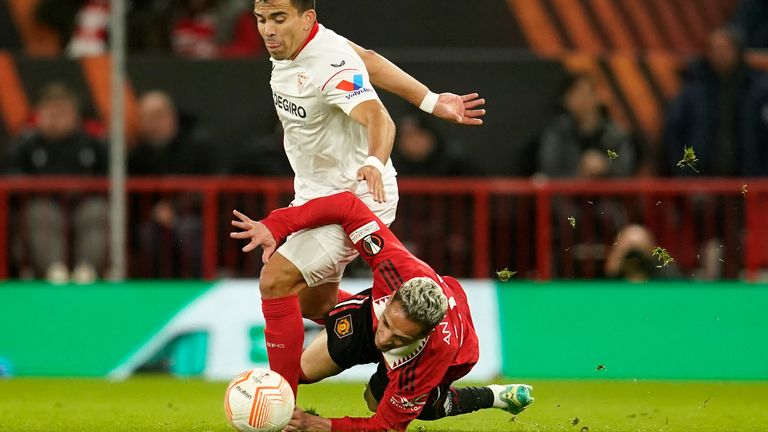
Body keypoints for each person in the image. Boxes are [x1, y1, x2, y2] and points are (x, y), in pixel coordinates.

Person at [250, 0, 486, 399]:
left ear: (307, 18)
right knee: (315, 305)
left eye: (278, 18)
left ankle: (280, 402)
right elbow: (370, 60)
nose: (268, 30)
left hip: (356, 195)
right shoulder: (301, 48)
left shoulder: (326, 63)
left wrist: (375, 161)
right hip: (316, 191)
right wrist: (430, 99)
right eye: (261, 20)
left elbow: (380, 119)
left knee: (275, 281)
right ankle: (401, 321)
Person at [230, 191, 534, 431]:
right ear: (392, 298)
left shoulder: (436, 354)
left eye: (398, 337)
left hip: (447, 359)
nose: (383, 338)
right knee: (301, 371)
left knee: (381, 404)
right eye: (387, 323)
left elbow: (384, 427)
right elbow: (347, 207)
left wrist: (316, 424)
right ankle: (344, 310)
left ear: (425, 334)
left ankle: (492, 396)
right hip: (377, 313)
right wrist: (278, 223)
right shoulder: (395, 267)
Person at [5, 82, 108, 283]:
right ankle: (54, 271)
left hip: (82, 203)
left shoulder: (91, 143)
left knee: (96, 210)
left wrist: (85, 188)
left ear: (75, 115)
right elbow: (11, 175)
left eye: (63, 112)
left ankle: (86, 271)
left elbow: (107, 175)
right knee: (41, 213)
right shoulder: (26, 144)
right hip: (43, 204)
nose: (57, 118)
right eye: (51, 111)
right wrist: (39, 188)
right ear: (39, 115)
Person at [128, 90, 221, 278]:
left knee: (188, 231)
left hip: (195, 215)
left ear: (172, 115)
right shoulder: (137, 155)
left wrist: (176, 208)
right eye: (146, 118)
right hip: (152, 220)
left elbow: (214, 185)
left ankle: (200, 283)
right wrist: (155, 211)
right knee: (147, 235)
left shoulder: (198, 145)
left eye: (158, 116)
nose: (153, 123)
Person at [662, 27, 768, 177]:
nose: (720, 54)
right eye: (714, 49)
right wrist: (684, 171)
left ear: (738, 51)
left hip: (748, 176)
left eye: (725, 48)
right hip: (702, 177)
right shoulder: (692, 90)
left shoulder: (757, 90)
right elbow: (674, 131)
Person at [535, 72, 638, 179]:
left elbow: (620, 163)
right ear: (565, 101)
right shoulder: (558, 133)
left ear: (597, 96)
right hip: (569, 194)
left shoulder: (612, 137)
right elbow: (550, 171)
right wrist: (580, 173)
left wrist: (605, 165)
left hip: (604, 194)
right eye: (573, 94)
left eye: (584, 93)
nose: (580, 99)